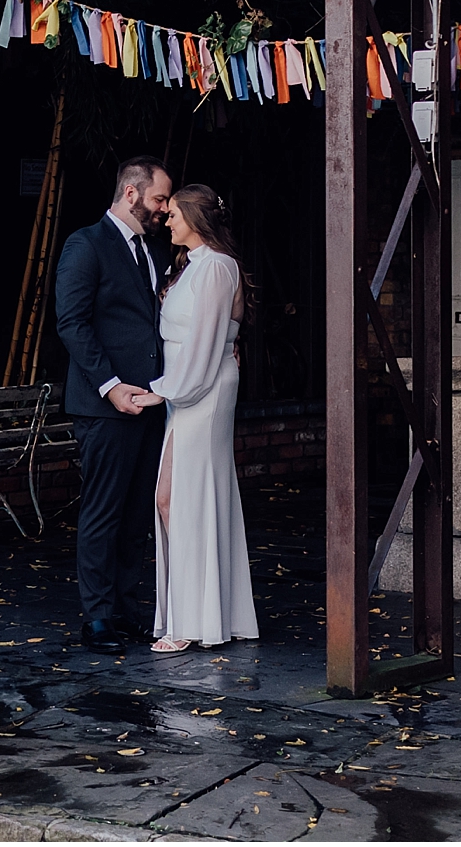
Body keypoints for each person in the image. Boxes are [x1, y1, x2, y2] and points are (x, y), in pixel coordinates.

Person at [50, 155, 173, 655]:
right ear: (131, 193)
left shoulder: (152, 251)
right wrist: (111, 385)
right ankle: (97, 615)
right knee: (103, 511)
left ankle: (124, 608)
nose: (165, 209)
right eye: (160, 198)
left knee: (137, 511)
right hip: (104, 406)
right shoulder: (86, 244)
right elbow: (72, 324)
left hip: (150, 401)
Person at [146, 184, 257, 652]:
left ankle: (193, 620)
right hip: (187, 388)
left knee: (182, 499)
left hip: (203, 390)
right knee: (178, 498)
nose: (166, 221)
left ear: (195, 217)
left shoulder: (217, 267)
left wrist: (164, 391)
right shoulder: (191, 267)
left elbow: (208, 341)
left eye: (173, 214)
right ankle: (202, 613)